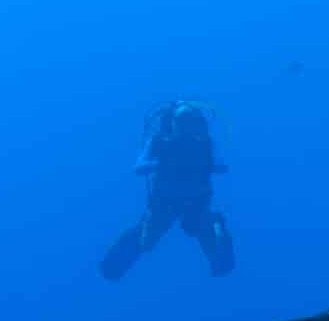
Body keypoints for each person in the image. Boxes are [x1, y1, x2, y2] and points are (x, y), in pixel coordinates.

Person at [99, 99, 236, 282]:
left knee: (199, 228)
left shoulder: (205, 143)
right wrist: (163, 162)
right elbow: (139, 167)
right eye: (181, 121)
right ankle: (117, 261)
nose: (185, 126)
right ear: (172, 122)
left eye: (189, 121)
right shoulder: (159, 142)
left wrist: (199, 163)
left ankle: (216, 234)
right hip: (166, 201)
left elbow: (221, 166)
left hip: (192, 200)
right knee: (147, 241)